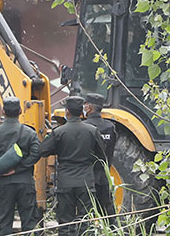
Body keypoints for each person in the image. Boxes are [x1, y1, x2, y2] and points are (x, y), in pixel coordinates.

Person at [38, 95, 107, 236]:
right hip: (86, 182)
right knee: (85, 221)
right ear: (82, 111)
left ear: (67, 112)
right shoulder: (92, 131)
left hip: (65, 183)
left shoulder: (59, 132)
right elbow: (102, 156)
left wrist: (58, 149)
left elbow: (42, 151)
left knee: (65, 223)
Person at [0, 97, 41, 236]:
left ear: (3, 111)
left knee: (4, 223)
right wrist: (20, 169)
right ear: (20, 111)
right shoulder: (30, 133)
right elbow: (37, 153)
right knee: (29, 223)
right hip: (25, 182)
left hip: (3, 183)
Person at [82, 92, 117, 219]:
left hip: (86, 178)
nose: (84, 107)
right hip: (103, 177)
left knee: (85, 215)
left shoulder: (83, 127)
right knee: (108, 215)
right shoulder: (110, 127)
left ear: (89, 107)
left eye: (85, 105)